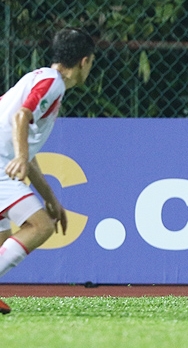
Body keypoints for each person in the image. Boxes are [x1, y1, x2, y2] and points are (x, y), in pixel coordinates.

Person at [0, 28, 95, 314]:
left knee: (3, 239)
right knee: (41, 226)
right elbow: (21, 117)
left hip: (5, 161)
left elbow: (26, 151)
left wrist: (51, 197)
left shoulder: (40, 79)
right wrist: (20, 155)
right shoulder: (52, 82)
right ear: (85, 62)